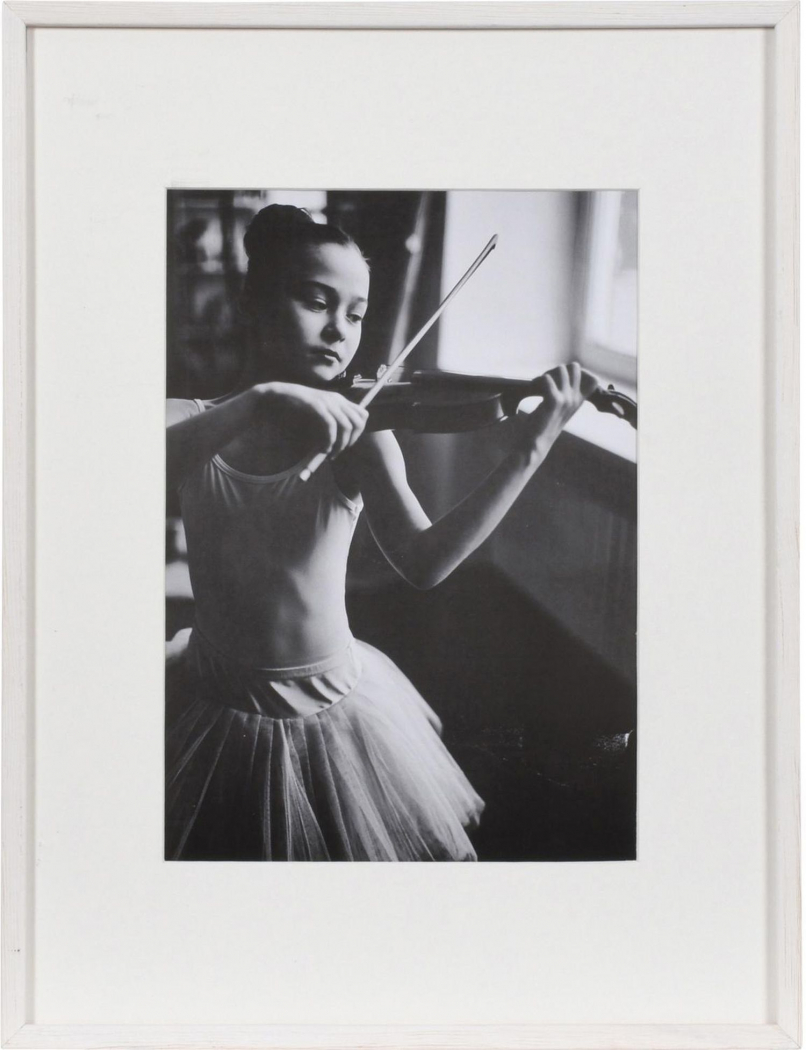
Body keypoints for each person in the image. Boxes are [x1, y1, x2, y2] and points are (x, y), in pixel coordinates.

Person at [165, 204, 598, 862]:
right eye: (316, 301)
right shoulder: (187, 420)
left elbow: (424, 564)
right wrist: (262, 399)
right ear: (253, 301)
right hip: (212, 696)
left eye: (357, 313)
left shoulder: (362, 436)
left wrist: (530, 448)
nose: (338, 330)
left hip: (329, 708)